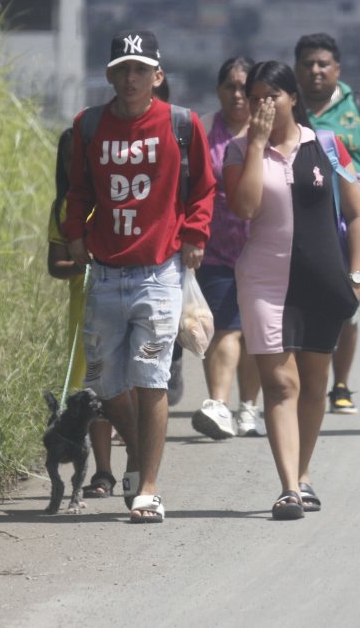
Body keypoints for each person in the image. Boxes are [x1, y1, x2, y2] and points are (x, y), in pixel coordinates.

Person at [64, 29, 216, 522]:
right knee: (106, 384)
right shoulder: (88, 126)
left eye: (140, 70)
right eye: (121, 70)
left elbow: (204, 189)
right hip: (105, 274)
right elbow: (78, 191)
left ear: (158, 75)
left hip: (159, 274)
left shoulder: (180, 124)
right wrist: (74, 234)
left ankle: (148, 487)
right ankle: (137, 451)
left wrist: (194, 233)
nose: (131, 79)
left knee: (151, 379)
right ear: (110, 75)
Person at [224, 60, 360, 519]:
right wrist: (258, 145)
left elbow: (356, 213)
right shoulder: (237, 150)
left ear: (292, 99)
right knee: (280, 383)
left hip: (321, 281)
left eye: (272, 96)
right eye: (255, 96)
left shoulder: (330, 145)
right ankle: (288, 487)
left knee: (313, 383)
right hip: (265, 281)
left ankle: (303, 475)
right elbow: (245, 207)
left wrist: (358, 273)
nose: (262, 105)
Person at [294, 32, 360, 415]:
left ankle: (340, 385)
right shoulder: (290, 108)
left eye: (323, 64)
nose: (316, 71)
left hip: (352, 225)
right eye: (308, 64)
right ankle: (303, 386)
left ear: (337, 69)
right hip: (304, 227)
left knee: (349, 306)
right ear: (296, 70)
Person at [190, 56, 267, 439]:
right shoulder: (202, 131)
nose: (237, 95)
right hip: (214, 247)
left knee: (253, 330)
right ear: (219, 90)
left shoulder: (267, 130)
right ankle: (219, 405)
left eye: (244, 88)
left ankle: (249, 406)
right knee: (222, 327)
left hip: (262, 247)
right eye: (230, 87)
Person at [46, 129, 123, 499]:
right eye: (68, 159)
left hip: (120, 304)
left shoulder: (113, 197)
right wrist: (80, 265)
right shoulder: (61, 207)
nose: (74, 165)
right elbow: (55, 265)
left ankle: (129, 468)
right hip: (83, 313)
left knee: (117, 389)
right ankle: (100, 472)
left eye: (80, 157)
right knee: (89, 392)